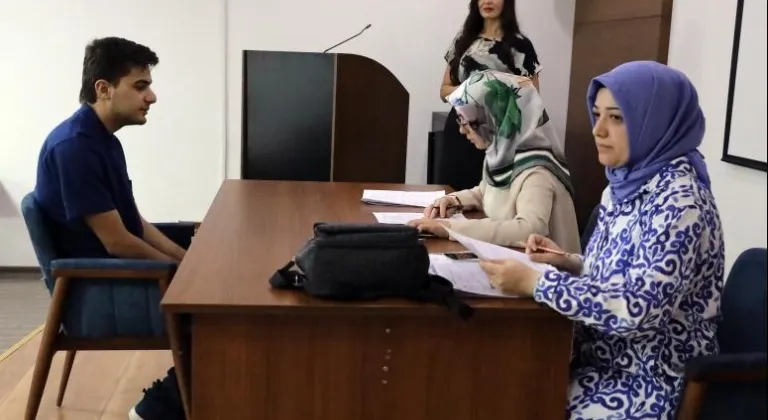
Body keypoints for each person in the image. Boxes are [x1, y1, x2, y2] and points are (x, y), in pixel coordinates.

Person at [478, 61, 725, 419]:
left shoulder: (681, 204)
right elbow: (621, 274)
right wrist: (569, 263)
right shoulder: (626, 185)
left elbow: (638, 310)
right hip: (597, 359)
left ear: (655, 121)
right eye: (596, 115)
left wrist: (537, 283)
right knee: (499, 383)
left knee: (519, 401)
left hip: (647, 379)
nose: (598, 130)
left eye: (617, 118)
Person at [33, 37, 185, 420]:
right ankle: (158, 409)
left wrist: (187, 259)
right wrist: (180, 272)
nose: (151, 97)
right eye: (140, 86)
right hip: (96, 286)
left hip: (113, 270)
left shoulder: (102, 140)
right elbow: (118, 242)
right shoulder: (74, 147)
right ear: (104, 88)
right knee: (215, 310)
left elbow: (135, 225)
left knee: (206, 273)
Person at [411, 70, 581, 254]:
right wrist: (454, 200)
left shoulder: (537, 171)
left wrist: (450, 228)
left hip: (546, 268)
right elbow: (485, 192)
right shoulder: (503, 155)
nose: (462, 130)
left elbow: (530, 229)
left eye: (469, 122)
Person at [436, 0, 543, 192]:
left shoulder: (521, 45)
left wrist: (495, 90)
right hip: (460, 129)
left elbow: (532, 97)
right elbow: (444, 91)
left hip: (500, 132)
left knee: (491, 196)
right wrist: (475, 88)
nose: (487, 1)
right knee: (452, 193)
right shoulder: (463, 40)